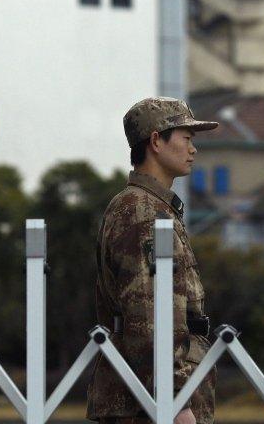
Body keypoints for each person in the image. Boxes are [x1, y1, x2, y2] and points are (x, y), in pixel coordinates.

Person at [87, 97, 219, 424]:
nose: (193, 149)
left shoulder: (151, 208)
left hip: (148, 399)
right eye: (186, 139)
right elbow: (147, 313)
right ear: (156, 141)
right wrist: (175, 400)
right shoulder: (142, 212)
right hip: (147, 405)